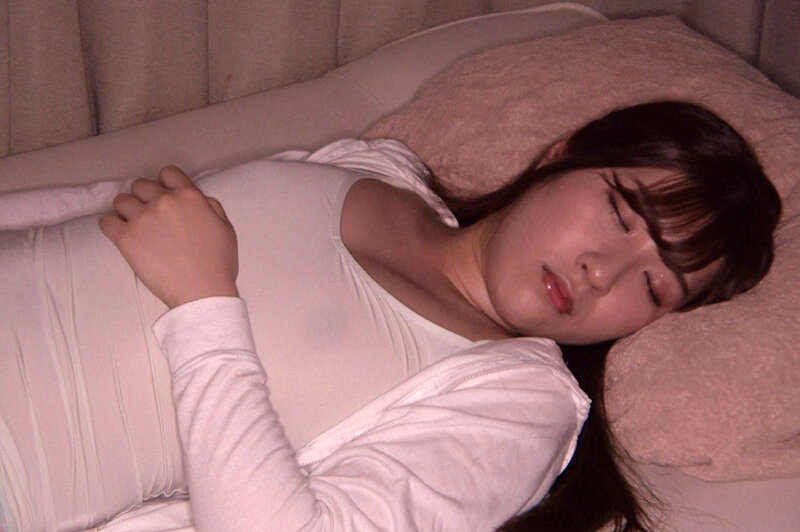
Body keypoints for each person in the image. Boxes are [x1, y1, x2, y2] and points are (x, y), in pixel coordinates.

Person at [0, 101, 780, 531]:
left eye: (653, 287)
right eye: (620, 212)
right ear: (562, 154)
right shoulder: (376, 164)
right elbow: (110, 214)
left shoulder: (519, 405)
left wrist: (203, 302)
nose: (600, 271)